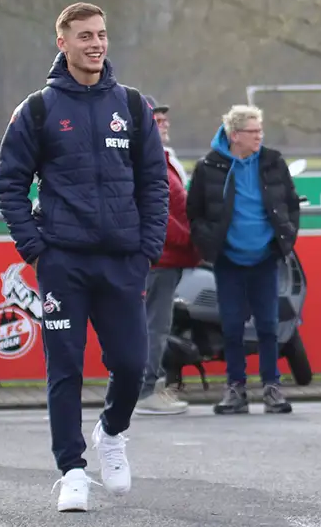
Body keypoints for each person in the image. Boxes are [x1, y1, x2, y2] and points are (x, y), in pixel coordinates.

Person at [0, 2, 169, 513]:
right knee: (65, 369)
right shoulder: (39, 109)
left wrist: (145, 251)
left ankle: (111, 433)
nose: (96, 43)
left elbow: (154, 184)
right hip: (62, 263)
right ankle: (72, 470)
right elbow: (9, 184)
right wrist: (36, 249)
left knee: (133, 365)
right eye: (85, 35)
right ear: (62, 43)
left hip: (122, 262)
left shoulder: (132, 106)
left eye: (102, 34)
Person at [185, 104, 301, 415]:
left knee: (268, 325)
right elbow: (194, 211)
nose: (259, 136)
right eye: (253, 131)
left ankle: (272, 388)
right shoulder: (209, 166)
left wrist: (286, 238)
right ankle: (235, 389)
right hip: (228, 261)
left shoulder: (273, 161)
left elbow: (290, 203)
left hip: (265, 258)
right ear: (235, 135)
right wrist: (208, 243)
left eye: (260, 130)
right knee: (232, 327)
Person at [136, 103, 200, 415]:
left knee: (154, 325)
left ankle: (147, 387)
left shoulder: (161, 158)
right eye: (155, 119)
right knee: (154, 326)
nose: (163, 124)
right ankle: (145, 390)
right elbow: (160, 215)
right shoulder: (146, 160)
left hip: (166, 256)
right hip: (159, 257)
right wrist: (192, 238)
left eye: (164, 118)